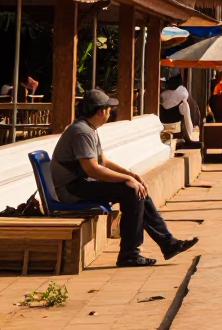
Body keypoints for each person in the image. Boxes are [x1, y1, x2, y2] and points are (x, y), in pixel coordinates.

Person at [51, 89, 199, 266]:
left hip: (81, 184)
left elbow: (103, 162)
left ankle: (167, 243)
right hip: (72, 188)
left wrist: (130, 175)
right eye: (108, 109)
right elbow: (93, 170)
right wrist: (126, 181)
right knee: (131, 191)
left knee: (137, 189)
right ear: (100, 111)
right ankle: (130, 254)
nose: (110, 113)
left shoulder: (89, 128)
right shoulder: (81, 132)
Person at [159, 75, 196, 143]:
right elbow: (187, 119)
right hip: (175, 123)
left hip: (162, 121)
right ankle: (189, 135)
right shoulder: (183, 92)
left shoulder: (163, 94)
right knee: (185, 106)